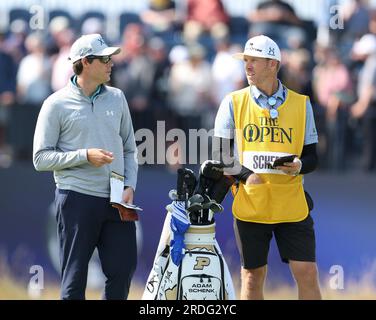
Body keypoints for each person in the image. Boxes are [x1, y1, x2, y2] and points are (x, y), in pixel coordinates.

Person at [213, 35, 321, 300]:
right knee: (252, 277)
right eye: (246, 60)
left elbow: (313, 157)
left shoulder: (302, 104)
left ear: (272, 64)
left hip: (292, 205)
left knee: (307, 272)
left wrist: (298, 166)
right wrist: (247, 176)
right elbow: (220, 155)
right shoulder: (232, 102)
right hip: (252, 205)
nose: (247, 66)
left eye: (254, 61)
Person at [33, 34, 138, 300]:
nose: (111, 64)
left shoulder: (118, 97)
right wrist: (84, 156)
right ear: (86, 62)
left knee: (123, 270)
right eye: (105, 59)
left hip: (116, 200)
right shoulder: (55, 104)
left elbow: (129, 149)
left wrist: (129, 185)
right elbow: (40, 158)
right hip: (76, 198)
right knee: (74, 281)